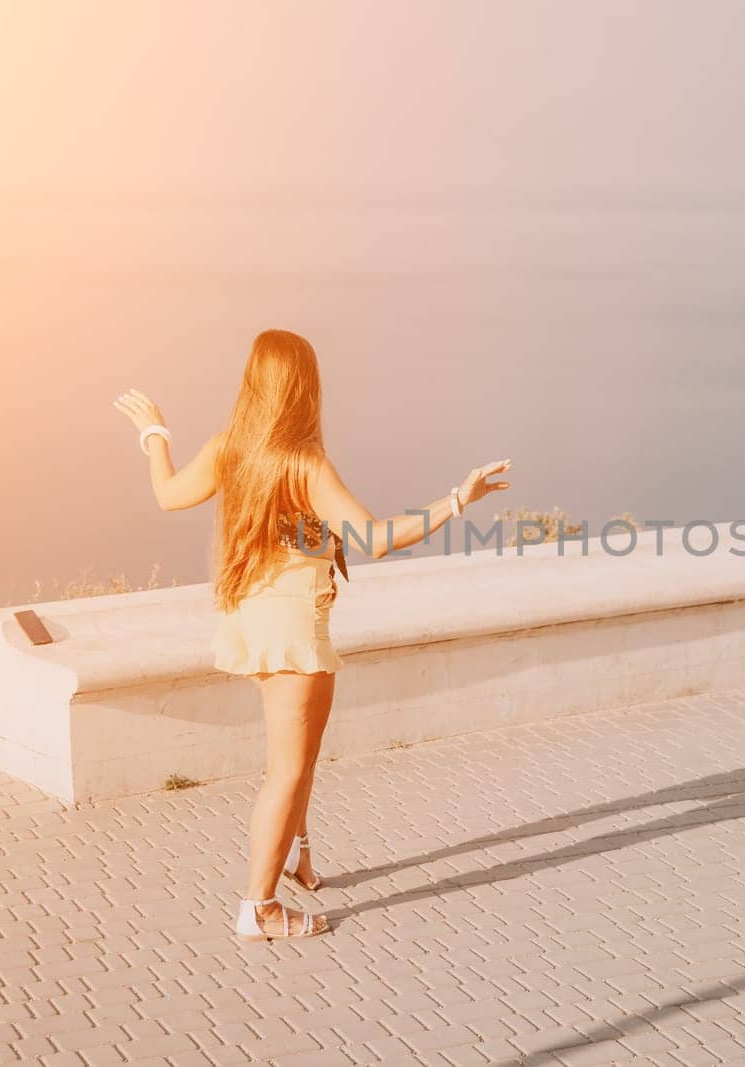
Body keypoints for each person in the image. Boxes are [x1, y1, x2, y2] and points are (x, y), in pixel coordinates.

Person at [113, 328, 512, 941]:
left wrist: (155, 435)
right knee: (286, 771)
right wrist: (459, 499)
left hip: (255, 617)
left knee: (298, 761)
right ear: (304, 388)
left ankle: (298, 855)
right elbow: (374, 539)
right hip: (294, 627)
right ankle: (259, 909)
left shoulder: (231, 449)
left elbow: (169, 496)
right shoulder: (302, 462)